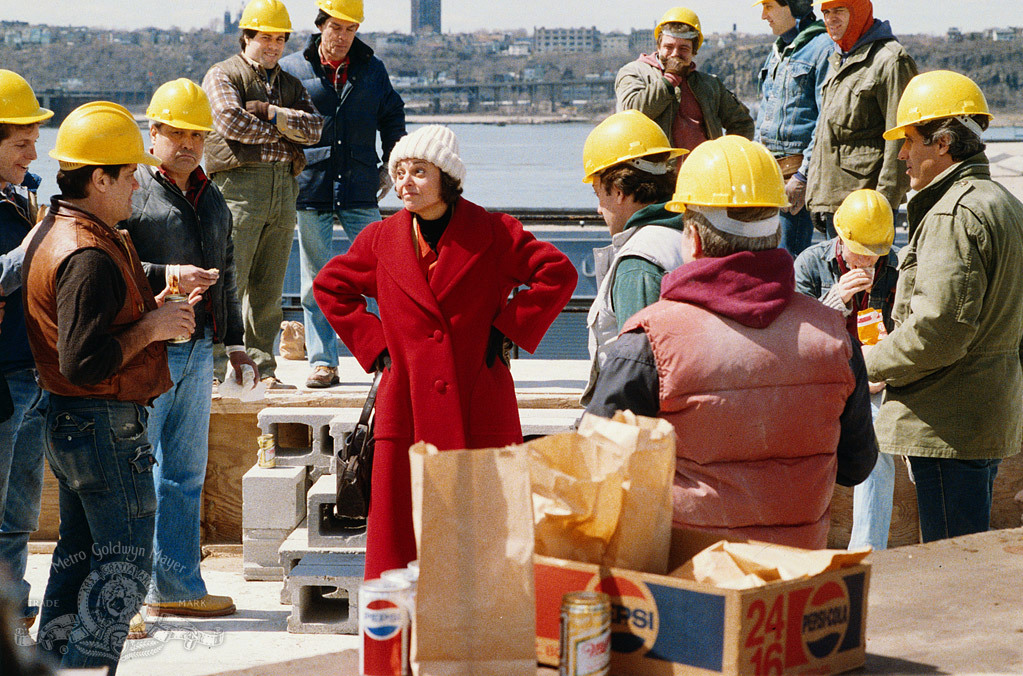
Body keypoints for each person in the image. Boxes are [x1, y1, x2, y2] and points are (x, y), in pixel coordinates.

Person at [586, 135, 876, 549]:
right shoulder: (835, 339)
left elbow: (592, 466)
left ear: (695, 240)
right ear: (775, 234)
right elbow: (855, 465)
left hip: (693, 586)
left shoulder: (649, 343)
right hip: (793, 585)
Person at [313, 125, 577, 578]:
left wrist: (508, 327)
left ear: (447, 178)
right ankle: (401, 633)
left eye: (418, 170)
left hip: (478, 399)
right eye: (399, 172)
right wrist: (376, 345)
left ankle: (480, 627)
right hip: (405, 403)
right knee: (400, 539)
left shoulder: (494, 231)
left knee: (486, 535)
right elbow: (331, 287)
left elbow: (557, 272)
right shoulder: (380, 239)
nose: (405, 182)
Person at [24, 101, 199, 673]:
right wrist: (152, 327)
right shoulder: (88, 253)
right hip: (103, 426)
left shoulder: (63, 230)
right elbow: (82, 360)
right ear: (99, 178)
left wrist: (155, 301)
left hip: (74, 426)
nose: (136, 184)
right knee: (123, 571)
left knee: (75, 564)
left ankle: (53, 665)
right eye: (128, 174)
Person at [121, 79, 258, 624]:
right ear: (151, 133)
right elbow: (109, 264)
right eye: (175, 132)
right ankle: (123, 598)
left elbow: (224, 272)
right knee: (134, 474)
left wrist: (236, 344)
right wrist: (167, 274)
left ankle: (175, 585)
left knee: (184, 473)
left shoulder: (212, 195)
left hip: (199, 352)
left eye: (196, 135)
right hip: (149, 350)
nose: (187, 144)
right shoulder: (132, 191)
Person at [865, 71, 1023, 542]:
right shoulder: (1003, 203)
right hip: (984, 414)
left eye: (910, 141)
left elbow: (938, 330)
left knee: (951, 567)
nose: (901, 155)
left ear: (944, 143)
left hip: (946, 423)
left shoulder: (953, 214)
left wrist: (866, 363)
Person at [280, 0, 406, 388]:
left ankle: (400, 356)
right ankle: (323, 362)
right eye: (336, 27)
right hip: (312, 186)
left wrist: (392, 165)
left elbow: (392, 117)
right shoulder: (292, 70)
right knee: (316, 281)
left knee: (389, 271)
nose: (342, 37)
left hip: (359, 186)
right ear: (320, 25)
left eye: (350, 29)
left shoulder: (372, 69)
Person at [202, 0, 324, 388]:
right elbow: (230, 122)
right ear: (247, 36)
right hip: (239, 187)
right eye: (265, 37)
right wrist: (287, 134)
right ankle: (217, 369)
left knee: (268, 288)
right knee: (228, 281)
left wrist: (270, 113)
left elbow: (315, 129)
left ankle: (262, 368)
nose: (273, 45)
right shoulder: (223, 74)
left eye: (279, 38)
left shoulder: (290, 83)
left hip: (283, 188)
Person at [795, 188, 898, 550]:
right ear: (841, 237)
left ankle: (868, 551)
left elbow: (907, 331)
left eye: (876, 255)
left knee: (880, 439)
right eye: (862, 253)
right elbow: (796, 339)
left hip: (874, 380)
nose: (869, 263)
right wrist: (835, 301)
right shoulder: (811, 263)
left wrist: (886, 359)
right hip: (821, 378)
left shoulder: (895, 268)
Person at [579, 110, 687, 403]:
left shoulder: (639, 263)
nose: (598, 209)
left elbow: (639, 375)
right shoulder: (689, 237)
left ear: (618, 191)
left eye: (597, 194)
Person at [0, 69, 51, 631]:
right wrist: (35, 243)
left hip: (30, 373)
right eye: (21, 142)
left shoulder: (24, 196)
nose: (34, 151)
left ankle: (12, 618)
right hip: (2, 382)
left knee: (19, 516)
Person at [805, 0, 917, 237]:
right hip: (833, 203)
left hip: (865, 206)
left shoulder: (890, 60)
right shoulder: (838, 59)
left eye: (839, 11)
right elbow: (827, 135)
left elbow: (900, 138)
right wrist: (817, 197)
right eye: (825, 12)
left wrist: (884, 205)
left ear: (858, 12)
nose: (830, 19)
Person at [753, 0, 832, 256]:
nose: (764, 16)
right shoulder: (778, 51)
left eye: (769, 6)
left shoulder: (823, 48)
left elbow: (825, 122)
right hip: (770, 177)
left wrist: (802, 177)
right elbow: (764, 119)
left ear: (792, 6)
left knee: (788, 262)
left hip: (794, 178)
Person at [615, 7, 754, 152]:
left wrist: (728, 155)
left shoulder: (710, 84)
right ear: (658, 46)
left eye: (683, 48)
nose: (675, 54)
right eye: (669, 47)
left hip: (704, 172)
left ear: (694, 51)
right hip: (654, 173)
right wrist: (670, 79)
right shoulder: (634, 72)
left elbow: (742, 123)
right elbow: (632, 114)